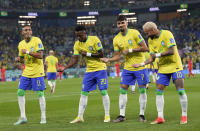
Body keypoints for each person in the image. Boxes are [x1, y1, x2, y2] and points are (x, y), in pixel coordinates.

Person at [133, 21, 188, 124]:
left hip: (175, 65)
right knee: (159, 91)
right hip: (162, 68)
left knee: (180, 90)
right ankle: (160, 117)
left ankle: (184, 116)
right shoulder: (150, 40)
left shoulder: (167, 34)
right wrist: (141, 64)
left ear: (153, 30)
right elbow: (151, 58)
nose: (146, 35)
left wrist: (157, 55)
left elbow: (172, 51)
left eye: (147, 33)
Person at [101, 15, 149, 123]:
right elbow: (117, 56)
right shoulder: (116, 39)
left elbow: (145, 48)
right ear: (117, 25)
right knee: (122, 89)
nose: (121, 25)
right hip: (128, 67)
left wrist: (131, 50)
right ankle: (122, 115)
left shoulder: (135, 33)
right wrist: (108, 60)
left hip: (140, 66)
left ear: (127, 23)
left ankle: (142, 114)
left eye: (122, 22)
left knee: (142, 90)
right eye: (119, 23)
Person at [59, 25, 110, 123]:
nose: (79, 38)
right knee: (83, 93)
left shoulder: (94, 39)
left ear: (85, 32)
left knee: (103, 92)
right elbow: (74, 59)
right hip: (89, 71)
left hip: (100, 69)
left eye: (80, 36)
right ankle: (80, 117)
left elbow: (101, 54)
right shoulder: (77, 44)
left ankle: (107, 115)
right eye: (77, 36)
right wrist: (64, 67)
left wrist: (87, 54)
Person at [14, 25, 46, 125]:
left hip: (37, 71)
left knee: (40, 93)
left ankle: (43, 117)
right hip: (27, 71)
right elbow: (22, 58)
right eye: (25, 30)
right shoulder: (21, 44)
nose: (28, 31)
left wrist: (27, 52)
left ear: (31, 32)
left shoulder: (37, 40)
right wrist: (19, 59)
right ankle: (23, 117)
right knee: (20, 91)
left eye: (29, 30)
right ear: (22, 33)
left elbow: (40, 56)